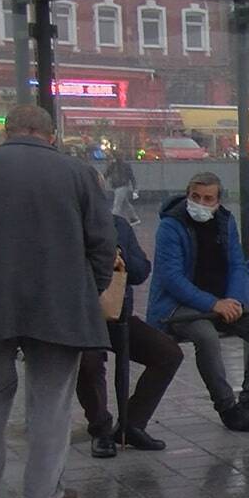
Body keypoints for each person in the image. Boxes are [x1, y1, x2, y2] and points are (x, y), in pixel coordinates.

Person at [0, 105, 116, 498]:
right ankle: (41, 493)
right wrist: (90, 288)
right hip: (60, 303)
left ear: (8, 131)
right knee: (51, 398)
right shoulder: (78, 174)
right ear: (49, 135)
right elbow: (103, 243)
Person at [148, 172, 249, 432]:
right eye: (195, 197)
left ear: (217, 202)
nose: (201, 203)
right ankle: (227, 408)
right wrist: (213, 304)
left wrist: (235, 300)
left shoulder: (224, 221)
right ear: (187, 195)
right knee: (205, 336)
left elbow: (235, 264)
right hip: (177, 306)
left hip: (221, 301)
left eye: (208, 198)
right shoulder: (171, 225)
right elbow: (172, 278)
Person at [77, 192, 184, 458]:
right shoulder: (66, 227)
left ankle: (132, 424)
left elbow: (141, 270)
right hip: (80, 316)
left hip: (116, 313)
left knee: (167, 353)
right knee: (89, 363)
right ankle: (100, 430)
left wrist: (121, 256)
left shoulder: (118, 226)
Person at [105, 154, 139, 225]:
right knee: (125, 203)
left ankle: (113, 221)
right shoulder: (124, 165)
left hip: (119, 186)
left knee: (117, 204)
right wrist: (135, 189)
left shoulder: (113, 165)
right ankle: (133, 218)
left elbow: (106, 174)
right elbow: (132, 177)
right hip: (123, 185)